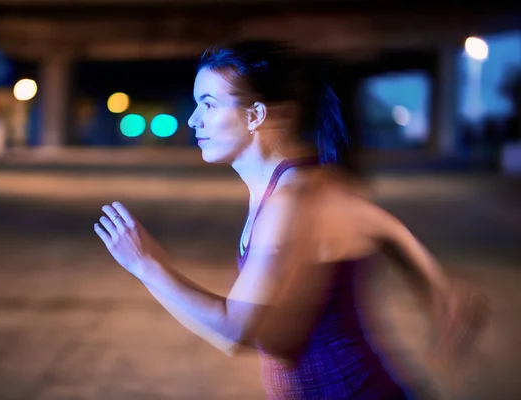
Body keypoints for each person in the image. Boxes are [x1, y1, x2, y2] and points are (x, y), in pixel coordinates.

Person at [94, 40, 488, 399]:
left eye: (209, 104)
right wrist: (435, 282)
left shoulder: (289, 200)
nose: (194, 120)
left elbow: (235, 331)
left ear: (256, 115)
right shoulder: (309, 182)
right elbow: (384, 225)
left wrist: (146, 265)